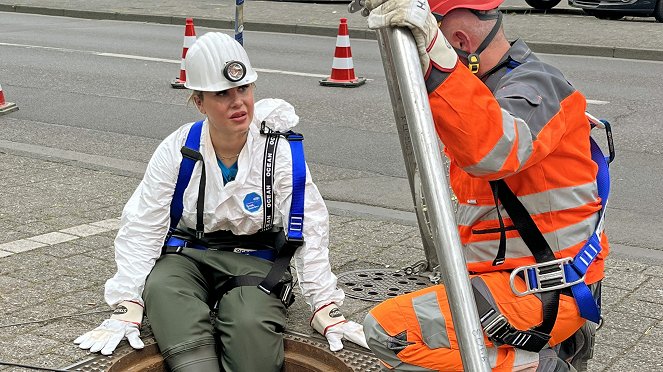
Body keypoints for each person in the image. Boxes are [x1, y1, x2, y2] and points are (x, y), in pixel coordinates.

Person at [73, 32, 367, 372]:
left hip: (255, 259)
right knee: (166, 298)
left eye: (243, 89)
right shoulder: (179, 148)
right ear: (199, 102)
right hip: (187, 257)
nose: (238, 102)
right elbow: (143, 224)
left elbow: (309, 228)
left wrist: (324, 306)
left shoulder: (279, 152)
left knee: (249, 326)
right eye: (222, 94)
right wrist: (127, 299)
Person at [359, 0, 610, 370]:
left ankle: (542, 366)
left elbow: (492, 150)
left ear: (458, 39)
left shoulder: (535, 87)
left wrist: (434, 55)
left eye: (437, 41)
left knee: (389, 331)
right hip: (518, 280)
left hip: (544, 291)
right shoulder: (492, 89)